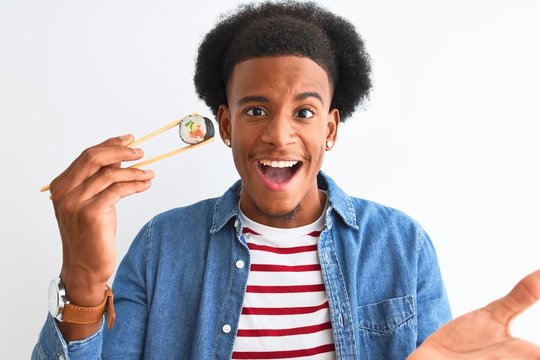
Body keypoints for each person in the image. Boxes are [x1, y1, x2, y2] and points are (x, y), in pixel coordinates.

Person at [33, 1, 540, 359]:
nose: (279, 135)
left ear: (331, 128)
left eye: (304, 111)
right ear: (226, 126)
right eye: (256, 109)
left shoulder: (402, 245)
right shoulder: (159, 247)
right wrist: (82, 285)